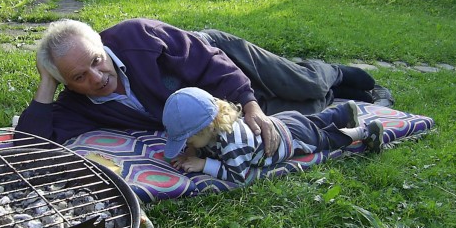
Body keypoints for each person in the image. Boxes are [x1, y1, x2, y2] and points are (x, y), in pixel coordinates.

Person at [15, 18, 391, 155]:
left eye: (96, 61)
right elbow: (29, 146)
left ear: (101, 44)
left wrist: (250, 103)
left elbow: (209, 63)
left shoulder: (136, 35)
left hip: (221, 56)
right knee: (298, 115)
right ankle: (350, 99)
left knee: (298, 82)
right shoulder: (74, 105)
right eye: (78, 77)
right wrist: (47, 85)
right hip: (211, 108)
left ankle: (336, 75)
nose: (96, 78)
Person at [163, 87, 384, 184]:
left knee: (325, 139)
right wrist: (192, 150)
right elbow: (200, 143)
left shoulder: (232, 145)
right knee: (313, 120)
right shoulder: (215, 124)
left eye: (188, 140)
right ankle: (345, 110)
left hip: (292, 139)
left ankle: (364, 132)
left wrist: (203, 164)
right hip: (285, 120)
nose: (187, 146)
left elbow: (237, 174)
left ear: (207, 129)